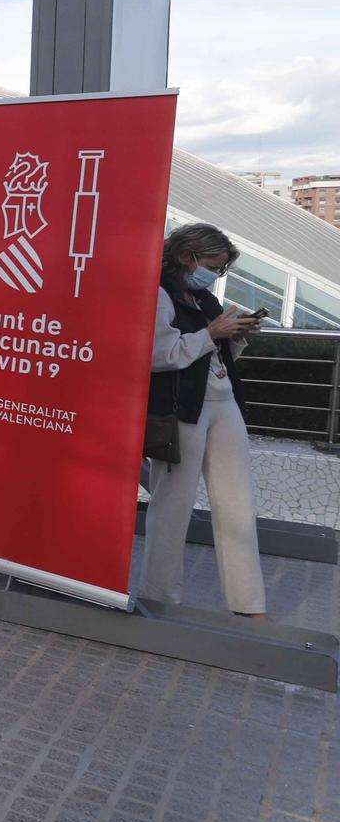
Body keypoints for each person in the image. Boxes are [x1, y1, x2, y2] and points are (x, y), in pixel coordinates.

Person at [141, 223, 268, 619]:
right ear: (187, 256)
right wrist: (212, 333)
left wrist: (236, 334)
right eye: (212, 264)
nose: (215, 273)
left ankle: (248, 603)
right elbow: (159, 356)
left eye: (220, 267)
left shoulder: (201, 297)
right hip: (182, 409)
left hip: (222, 401)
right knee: (172, 504)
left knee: (237, 502)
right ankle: (160, 597)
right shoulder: (158, 294)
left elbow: (213, 356)